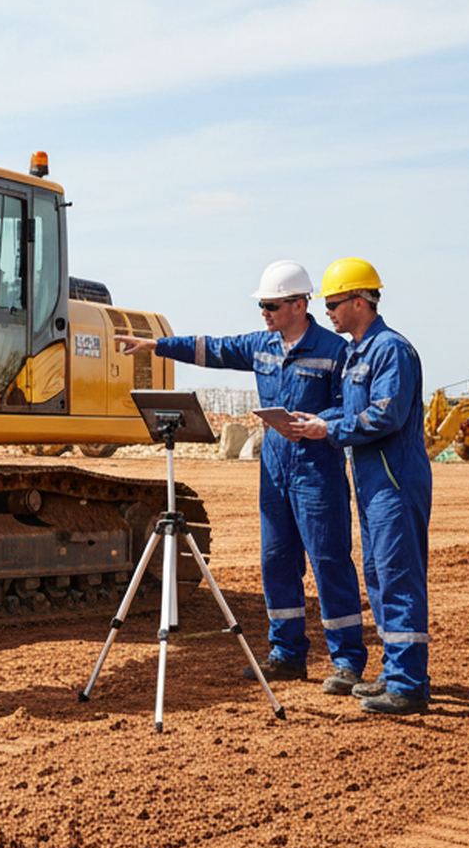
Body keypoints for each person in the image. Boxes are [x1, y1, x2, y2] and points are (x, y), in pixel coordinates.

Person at [119, 260, 367, 693]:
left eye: (271, 306)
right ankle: (286, 654)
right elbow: (213, 349)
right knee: (276, 560)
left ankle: (347, 661)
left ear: (299, 305)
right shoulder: (261, 344)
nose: (264, 313)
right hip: (274, 467)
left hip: (317, 469)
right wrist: (156, 346)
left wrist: (318, 421)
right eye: (262, 306)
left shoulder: (335, 350)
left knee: (329, 561)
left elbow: (349, 406)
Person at [293, 258, 433, 715]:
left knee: (399, 576)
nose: (327, 312)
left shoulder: (391, 350)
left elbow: (384, 415)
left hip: (395, 481)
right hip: (373, 482)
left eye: (333, 303)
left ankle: (409, 685)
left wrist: (329, 431)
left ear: (360, 301)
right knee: (378, 575)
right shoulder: (357, 352)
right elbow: (353, 410)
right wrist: (316, 419)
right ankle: (395, 672)